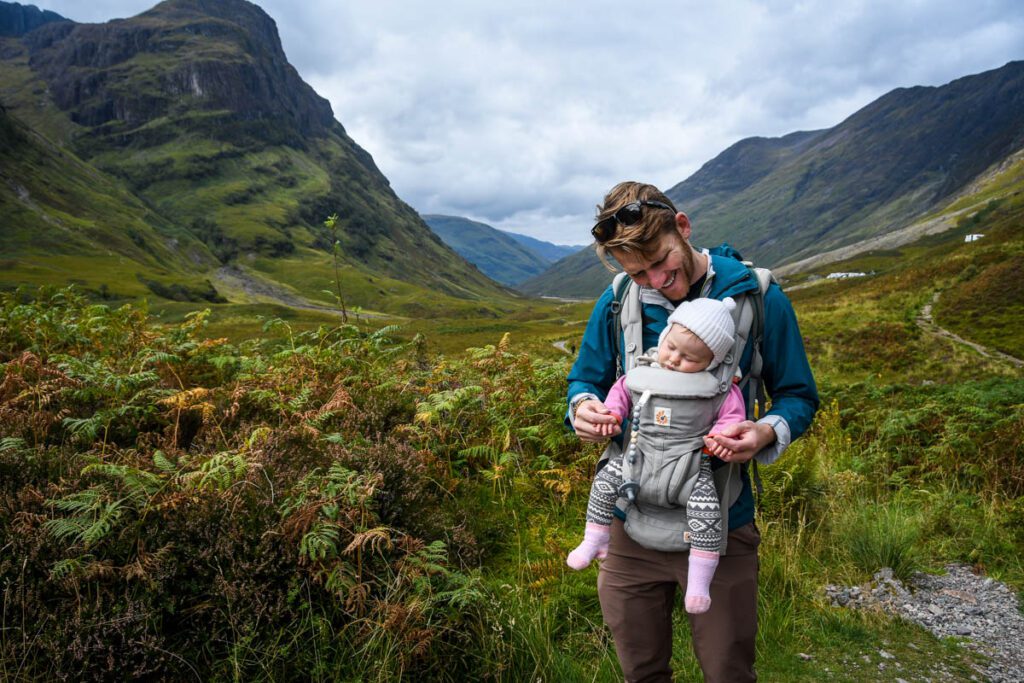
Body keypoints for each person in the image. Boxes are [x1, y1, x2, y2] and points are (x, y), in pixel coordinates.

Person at [567, 181, 819, 682]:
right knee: (640, 669)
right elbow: (585, 379)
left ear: (682, 227)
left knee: (727, 669)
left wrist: (765, 432)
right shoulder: (618, 301)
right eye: (638, 272)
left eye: (662, 262)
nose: (657, 280)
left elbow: (798, 396)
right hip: (628, 522)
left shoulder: (759, 296)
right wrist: (583, 409)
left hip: (722, 523)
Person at [566, 297, 745, 616]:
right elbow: (621, 393)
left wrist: (723, 437)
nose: (675, 360)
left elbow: (732, 417)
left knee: (706, 511)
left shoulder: (719, 388)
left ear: (712, 360)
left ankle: (699, 582)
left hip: (688, 468)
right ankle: (595, 537)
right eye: (671, 347)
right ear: (664, 338)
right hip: (639, 458)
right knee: (606, 479)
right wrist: (610, 414)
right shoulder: (643, 373)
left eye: (690, 357)